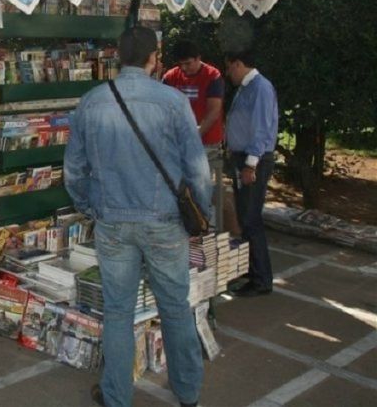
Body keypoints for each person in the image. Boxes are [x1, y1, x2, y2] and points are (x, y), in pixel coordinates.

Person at [64, 27, 211, 407]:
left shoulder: (92, 102)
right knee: (176, 308)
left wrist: (90, 208)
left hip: (112, 222)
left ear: (117, 58)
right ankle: (189, 393)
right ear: (154, 57)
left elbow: (74, 172)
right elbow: (198, 170)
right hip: (164, 221)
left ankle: (115, 396)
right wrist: (202, 217)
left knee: (117, 311)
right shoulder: (173, 102)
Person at [224, 50, 278, 297]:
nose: (228, 73)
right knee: (245, 217)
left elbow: (262, 129)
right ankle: (251, 270)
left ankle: (261, 279)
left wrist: (250, 165)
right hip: (242, 157)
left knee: (250, 219)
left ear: (239, 63)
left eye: (229, 68)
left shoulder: (260, 88)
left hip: (253, 159)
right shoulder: (246, 87)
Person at [163, 40, 226, 229]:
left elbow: (214, 111)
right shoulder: (170, 76)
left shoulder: (213, 76)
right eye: (181, 64)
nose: (185, 68)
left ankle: (204, 220)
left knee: (197, 176)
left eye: (189, 63)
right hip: (177, 142)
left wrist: (194, 135)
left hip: (205, 142)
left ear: (199, 59)